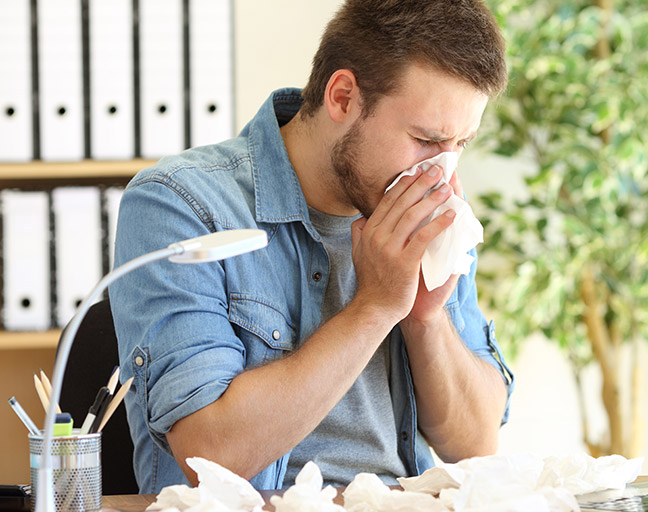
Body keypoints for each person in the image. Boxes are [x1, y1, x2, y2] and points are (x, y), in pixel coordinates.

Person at [110, 0, 514, 493]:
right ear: (343, 97)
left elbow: (475, 444)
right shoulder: (182, 205)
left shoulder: (432, 203)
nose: (441, 174)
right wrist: (376, 307)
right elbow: (208, 455)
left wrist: (425, 319)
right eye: (426, 140)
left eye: (460, 146)